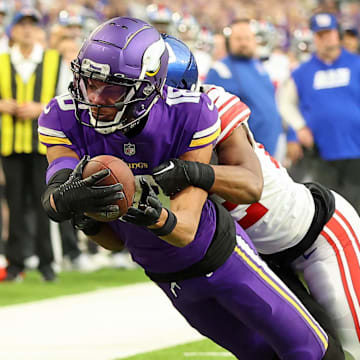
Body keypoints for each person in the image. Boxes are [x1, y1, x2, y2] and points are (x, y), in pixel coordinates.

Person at [39, 16, 332, 360]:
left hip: (220, 256)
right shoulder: (63, 116)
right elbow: (110, 237)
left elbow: (186, 228)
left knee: (309, 351)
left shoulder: (188, 112)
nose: (96, 97)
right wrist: (78, 210)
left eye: (112, 88)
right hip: (164, 274)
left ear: (148, 85)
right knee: (258, 356)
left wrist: (148, 211)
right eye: (89, 82)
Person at [156, 34, 360, 359]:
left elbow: (250, 185)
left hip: (317, 237)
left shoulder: (212, 109)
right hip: (259, 259)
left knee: (353, 347)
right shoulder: (137, 136)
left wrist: (187, 171)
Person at [0, 8, 62, 281]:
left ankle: (46, 262)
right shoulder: (1, 61)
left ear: (38, 30)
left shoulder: (53, 60)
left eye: (31, 25)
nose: (27, 29)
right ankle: (15, 263)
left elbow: (65, 99)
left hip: (42, 146)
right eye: (22, 24)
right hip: (10, 145)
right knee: (14, 205)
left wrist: (41, 108)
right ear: (13, 31)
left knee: (43, 203)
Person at [278, 13, 360, 214]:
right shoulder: (302, 72)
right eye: (320, 34)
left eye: (329, 33)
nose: (326, 39)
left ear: (337, 34)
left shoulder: (356, 64)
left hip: (356, 148)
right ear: (314, 38)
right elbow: (285, 102)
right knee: (331, 210)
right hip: (321, 152)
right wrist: (299, 127)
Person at [205, 18, 284, 159]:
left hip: (271, 147)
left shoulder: (260, 66)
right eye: (238, 38)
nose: (243, 43)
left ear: (255, 40)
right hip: (246, 153)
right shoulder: (221, 70)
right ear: (229, 41)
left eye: (247, 38)